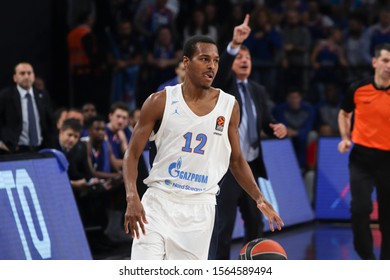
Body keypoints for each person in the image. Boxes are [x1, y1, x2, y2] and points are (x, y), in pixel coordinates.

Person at [122, 16, 284, 260]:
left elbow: (237, 160)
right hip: (158, 203)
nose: (212, 66)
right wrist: (132, 196)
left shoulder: (229, 106)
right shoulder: (160, 101)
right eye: (204, 59)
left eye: (216, 61)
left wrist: (260, 198)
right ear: (186, 63)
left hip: (200, 208)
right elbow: (132, 154)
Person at [211, 14, 287, 260]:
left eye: (248, 57)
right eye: (240, 57)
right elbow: (221, 71)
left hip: (251, 164)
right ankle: (219, 269)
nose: (244, 61)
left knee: (255, 221)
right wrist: (234, 44)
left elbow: (265, 121)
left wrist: (275, 127)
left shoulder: (258, 90)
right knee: (224, 225)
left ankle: (250, 265)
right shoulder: (223, 85)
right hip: (228, 166)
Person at [337, 43, 390, 260]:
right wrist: (345, 138)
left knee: (388, 217)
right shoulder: (358, 89)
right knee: (360, 208)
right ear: (375, 62)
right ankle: (367, 261)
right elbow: (344, 113)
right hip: (362, 158)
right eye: (386, 60)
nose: (389, 65)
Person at [0, 62, 55, 154]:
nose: (26, 76)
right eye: (22, 73)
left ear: (33, 76)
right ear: (15, 78)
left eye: (29, 73)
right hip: (15, 150)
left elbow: (50, 123)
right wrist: (1, 144)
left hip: (40, 149)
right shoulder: (5, 96)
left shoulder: (42, 95)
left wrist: (51, 145)